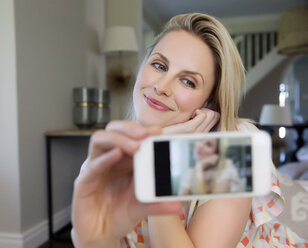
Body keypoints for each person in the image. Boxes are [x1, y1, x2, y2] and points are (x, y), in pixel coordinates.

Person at [71, 13, 308, 248]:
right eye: (159, 65)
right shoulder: (117, 152)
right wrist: (92, 237)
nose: (161, 87)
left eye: (188, 81)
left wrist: (160, 166)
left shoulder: (232, 147)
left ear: (209, 103)